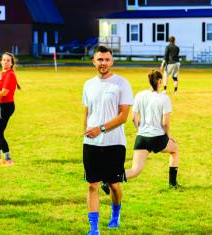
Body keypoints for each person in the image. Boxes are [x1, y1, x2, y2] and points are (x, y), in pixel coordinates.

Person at [82, 46, 133, 233]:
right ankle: (93, 229)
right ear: (93, 61)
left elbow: (123, 116)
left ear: (112, 61)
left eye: (106, 59)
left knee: (114, 184)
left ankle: (115, 213)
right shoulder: (88, 84)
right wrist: (85, 133)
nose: (103, 63)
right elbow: (87, 112)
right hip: (91, 144)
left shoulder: (121, 83)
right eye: (99, 59)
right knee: (92, 185)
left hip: (114, 143)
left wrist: (100, 128)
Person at [125, 70, 180, 188]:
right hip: (158, 138)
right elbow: (165, 123)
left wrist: (141, 130)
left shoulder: (139, 95)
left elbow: (133, 118)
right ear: (160, 81)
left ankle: (109, 180)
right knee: (174, 150)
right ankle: (173, 184)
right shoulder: (164, 98)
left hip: (142, 138)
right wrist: (168, 136)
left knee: (135, 170)